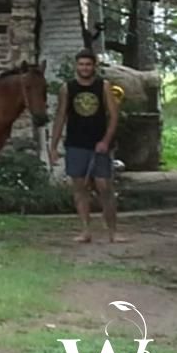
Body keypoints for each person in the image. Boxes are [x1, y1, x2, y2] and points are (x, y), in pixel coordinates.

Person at [48, 49, 125, 243]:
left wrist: (106, 141)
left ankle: (113, 232)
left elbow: (114, 116)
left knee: (104, 187)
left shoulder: (103, 86)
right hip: (76, 144)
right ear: (76, 66)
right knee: (80, 188)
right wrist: (53, 146)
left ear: (94, 66)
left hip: (99, 145)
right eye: (81, 64)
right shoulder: (68, 88)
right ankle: (85, 231)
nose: (84, 68)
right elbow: (60, 117)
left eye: (88, 64)